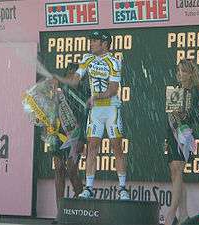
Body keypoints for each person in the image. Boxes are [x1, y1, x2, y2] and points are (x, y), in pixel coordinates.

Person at [53, 30, 129, 200]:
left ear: (104, 44)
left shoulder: (114, 62)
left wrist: (96, 96)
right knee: (92, 147)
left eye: (95, 41)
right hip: (96, 110)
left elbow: (113, 89)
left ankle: (122, 188)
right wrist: (59, 78)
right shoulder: (87, 58)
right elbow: (74, 80)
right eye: (91, 40)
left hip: (110, 108)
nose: (91, 43)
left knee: (116, 146)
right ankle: (88, 187)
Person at [164, 59, 199, 225]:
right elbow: (169, 115)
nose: (180, 74)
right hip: (172, 133)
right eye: (178, 71)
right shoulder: (175, 91)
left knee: (178, 169)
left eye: (183, 71)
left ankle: (171, 213)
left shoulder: (195, 91)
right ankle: (184, 214)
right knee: (174, 171)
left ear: (190, 74)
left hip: (184, 135)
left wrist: (184, 116)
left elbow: (196, 116)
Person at [51, 63, 88, 224]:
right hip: (59, 135)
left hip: (77, 136)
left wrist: (83, 140)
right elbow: (51, 113)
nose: (72, 77)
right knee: (59, 169)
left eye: (76, 75)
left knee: (72, 170)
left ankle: (80, 206)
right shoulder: (60, 93)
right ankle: (60, 213)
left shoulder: (85, 93)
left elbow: (87, 119)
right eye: (70, 74)